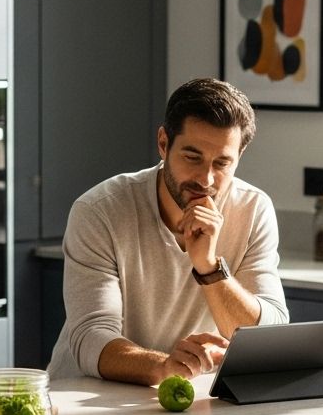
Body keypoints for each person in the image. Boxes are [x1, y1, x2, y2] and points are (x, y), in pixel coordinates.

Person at [47, 77, 289, 386]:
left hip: (186, 394)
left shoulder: (253, 210)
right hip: (86, 396)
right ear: (163, 143)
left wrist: (209, 268)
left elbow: (268, 335)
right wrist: (164, 367)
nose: (206, 179)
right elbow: (91, 338)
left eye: (222, 163)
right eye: (192, 157)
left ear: (238, 158)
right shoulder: (99, 210)